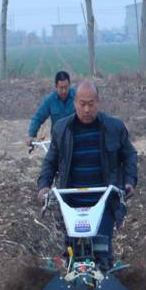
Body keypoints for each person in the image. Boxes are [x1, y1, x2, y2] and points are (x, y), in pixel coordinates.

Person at [36, 80, 137, 269]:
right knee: (73, 252)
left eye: (91, 103)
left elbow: (130, 155)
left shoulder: (114, 128)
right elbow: (50, 161)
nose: (87, 109)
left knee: (101, 252)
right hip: (71, 203)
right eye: (82, 104)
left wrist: (130, 181)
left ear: (98, 102)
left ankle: (104, 284)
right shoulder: (62, 129)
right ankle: (73, 288)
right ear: (75, 103)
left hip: (104, 201)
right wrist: (43, 185)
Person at [25, 71, 75, 147]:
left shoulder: (78, 96)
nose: (64, 91)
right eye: (61, 88)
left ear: (69, 85)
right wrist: (31, 135)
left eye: (66, 87)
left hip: (75, 138)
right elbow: (38, 118)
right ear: (56, 86)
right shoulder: (50, 100)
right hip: (58, 140)